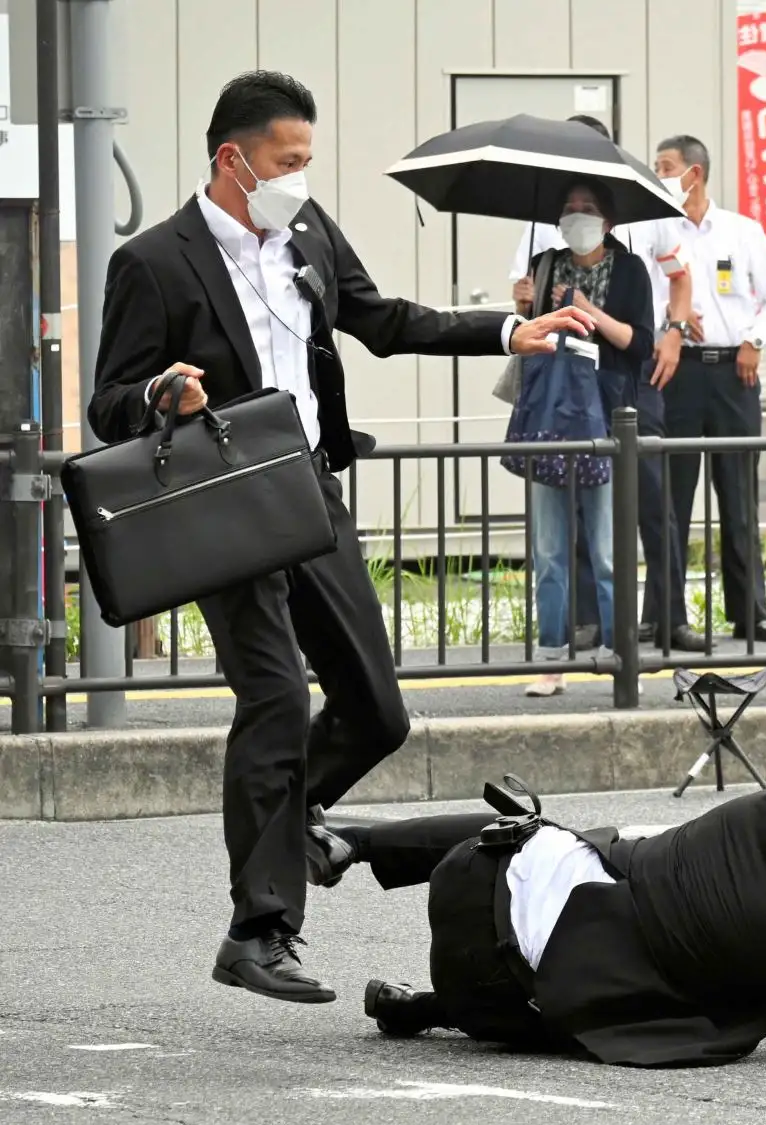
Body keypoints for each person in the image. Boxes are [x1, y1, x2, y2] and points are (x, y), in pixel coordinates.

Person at [87, 71, 593, 1004]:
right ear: (232, 158)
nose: (300, 178)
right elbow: (108, 401)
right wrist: (163, 392)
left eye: (306, 162)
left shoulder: (308, 233)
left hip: (309, 491)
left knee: (376, 711)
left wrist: (506, 331)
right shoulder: (155, 262)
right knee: (277, 699)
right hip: (221, 502)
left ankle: (288, 827)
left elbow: (382, 321)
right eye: (287, 162)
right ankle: (259, 930)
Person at [308, 782, 766, 1066]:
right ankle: (429, 1007)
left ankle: (358, 842)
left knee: (539, 834)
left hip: (474, 871)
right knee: (598, 1005)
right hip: (493, 986)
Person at [507, 115, 708, 654]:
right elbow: (524, 307)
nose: (579, 215)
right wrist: (523, 303)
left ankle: (666, 618)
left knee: (649, 502)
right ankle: (581, 624)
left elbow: (679, 279)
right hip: (561, 395)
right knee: (569, 516)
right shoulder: (543, 233)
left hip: (628, 387)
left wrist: (673, 333)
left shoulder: (645, 208)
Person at [513, 184, 656, 697]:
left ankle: (621, 656)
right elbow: (528, 341)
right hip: (551, 416)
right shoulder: (544, 264)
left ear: (608, 222)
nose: (577, 218)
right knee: (549, 549)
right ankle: (551, 661)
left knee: (608, 548)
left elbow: (638, 344)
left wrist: (585, 308)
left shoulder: (630, 269)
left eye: (588, 210)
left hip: (608, 419)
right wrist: (524, 308)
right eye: (569, 210)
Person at [654, 134, 766, 646]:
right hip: (676, 372)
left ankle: (750, 612)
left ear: (695, 172)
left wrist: (755, 340)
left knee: (738, 496)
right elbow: (640, 295)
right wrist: (670, 317)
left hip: (736, 371)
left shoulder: (741, 231)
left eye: (666, 166)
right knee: (671, 499)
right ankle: (666, 615)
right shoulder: (653, 230)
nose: (659, 175)